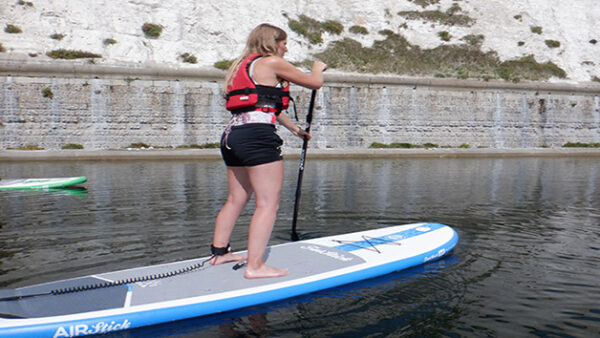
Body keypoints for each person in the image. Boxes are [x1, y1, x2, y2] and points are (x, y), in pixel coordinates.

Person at [209, 23, 327, 279]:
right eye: (283, 42)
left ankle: (220, 253)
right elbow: (314, 83)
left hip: (233, 136)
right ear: (272, 42)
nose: (286, 47)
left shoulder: (242, 65)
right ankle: (255, 266)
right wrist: (317, 68)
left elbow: (266, 106)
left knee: (236, 199)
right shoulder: (272, 62)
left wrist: (295, 130)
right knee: (268, 204)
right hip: (257, 138)